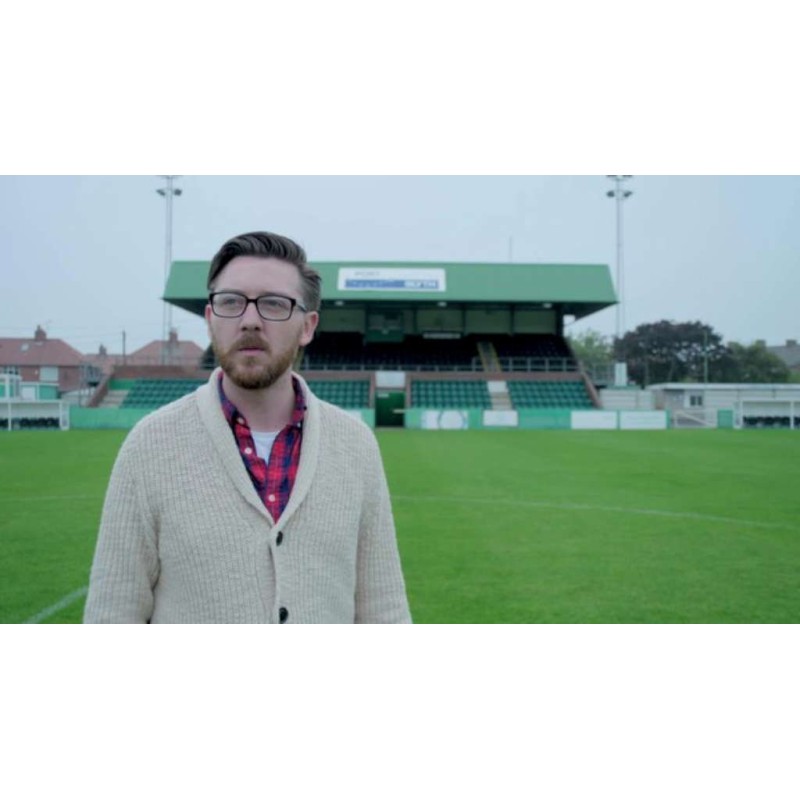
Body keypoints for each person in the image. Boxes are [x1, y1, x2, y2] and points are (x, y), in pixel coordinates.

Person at [84, 231, 411, 623]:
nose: (250, 321)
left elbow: (384, 609)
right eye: (231, 302)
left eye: (274, 304)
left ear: (307, 327)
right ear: (210, 319)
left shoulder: (356, 446)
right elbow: (112, 613)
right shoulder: (150, 446)